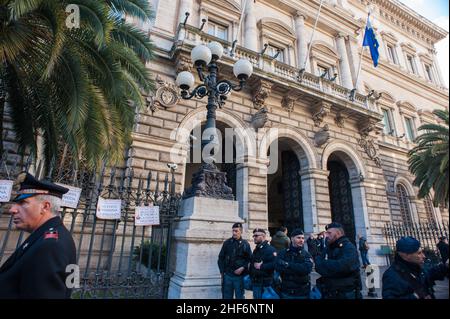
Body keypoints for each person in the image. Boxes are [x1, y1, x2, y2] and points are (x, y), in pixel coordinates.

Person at [0, 172, 76, 298]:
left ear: (45, 207)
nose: (12, 209)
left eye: (23, 203)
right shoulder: (51, 235)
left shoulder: (50, 245)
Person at [382, 236, 448, 299]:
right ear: (406, 255)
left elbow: (431, 272)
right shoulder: (391, 276)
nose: (424, 256)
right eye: (419, 253)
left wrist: (446, 266)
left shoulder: (417, 266)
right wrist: (416, 296)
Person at [315, 222, 362, 299]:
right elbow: (317, 265)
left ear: (338, 233)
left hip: (345, 293)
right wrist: (330, 266)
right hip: (329, 292)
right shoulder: (328, 247)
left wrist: (324, 264)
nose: (326, 235)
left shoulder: (349, 247)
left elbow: (343, 267)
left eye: (329, 233)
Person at [218, 222, 252, 299]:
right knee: (226, 297)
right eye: (233, 231)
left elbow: (250, 260)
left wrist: (243, 267)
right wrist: (222, 272)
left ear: (241, 231)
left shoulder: (245, 244)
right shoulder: (227, 243)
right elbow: (220, 258)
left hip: (239, 277)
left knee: (239, 297)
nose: (234, 233)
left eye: (236, 231)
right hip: (228, 275)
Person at [275, 229, 313, 299]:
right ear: (292, 239)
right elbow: (278, 267)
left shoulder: (306, 254)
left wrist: (288, 265)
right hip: (286, 292)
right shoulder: (283, 253)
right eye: (298, 238)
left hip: (302, 293)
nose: (301, 240)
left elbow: (306, 269)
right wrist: (298, 269)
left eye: (303, 238)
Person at [249, 228, 277, 299]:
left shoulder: (270, 249)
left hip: (265, 284)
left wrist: (262, 266)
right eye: (254, 236)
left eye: (256, 236)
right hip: (256, 282)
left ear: (263, 236)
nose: (254, 237)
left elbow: (275, 264)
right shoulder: (256, 249)